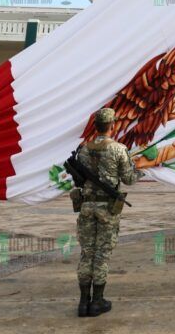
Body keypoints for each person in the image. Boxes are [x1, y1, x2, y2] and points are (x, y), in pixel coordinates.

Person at [75, 107, 136, 317]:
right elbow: (129, 179)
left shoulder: (83, 150)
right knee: (101, 254)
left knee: (87, 253)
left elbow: (79, 179)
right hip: (107, 209)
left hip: (86, 207)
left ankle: (83, 303)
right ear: (112, 125)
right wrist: (141, 168)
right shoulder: (119, 149)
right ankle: (97, 301)